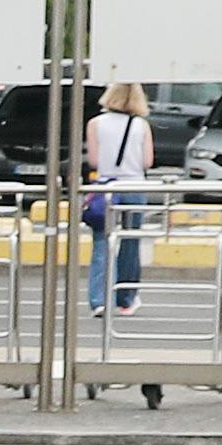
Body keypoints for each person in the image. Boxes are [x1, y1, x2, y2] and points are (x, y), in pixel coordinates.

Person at [83, 79, 154, 320]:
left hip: (106, 188)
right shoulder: (141, 125)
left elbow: (93, 161)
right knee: (130, 242)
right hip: (134, 185)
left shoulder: (95, 124)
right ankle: (126, 298)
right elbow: (147, 162)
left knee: (101, 243)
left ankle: (99, 301)